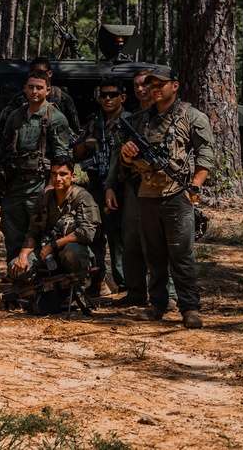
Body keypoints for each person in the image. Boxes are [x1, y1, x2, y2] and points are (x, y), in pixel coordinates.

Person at [121, 67, 214, 329]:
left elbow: (206, 153)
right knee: (154, 255)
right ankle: (157, 304)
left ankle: (189, 307)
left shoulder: (192, 116)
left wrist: (193, 186)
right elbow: (126, 159)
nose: (154, 88)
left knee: (182, 254)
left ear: (175, 85)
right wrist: (127, 154)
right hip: (147, 195)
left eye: (160, 84)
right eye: (150, 84)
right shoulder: (140, 120)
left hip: (177, 194)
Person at [0, 70, 71, 270]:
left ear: (48, 90)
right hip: (15, 184)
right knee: (12, 230)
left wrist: (51, 185)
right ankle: (15, 271)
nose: (34, 91)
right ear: (24, 89)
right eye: (30, 87)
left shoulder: (56, 118)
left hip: (40, 183)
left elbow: (62, 156)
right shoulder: (16, 115)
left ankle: (40, 272)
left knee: (41, 229)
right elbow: (4, 149)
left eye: (39, 87)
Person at [73, 78, 129, 297]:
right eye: (103, 95)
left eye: (112, 94)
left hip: (120, 188)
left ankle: (125, 285)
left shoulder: (130, 122)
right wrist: (87, 140)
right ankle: (98, 280)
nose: (107, 98)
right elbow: (76, 154)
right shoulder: (94, 123)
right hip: (96, 186)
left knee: (119, 238)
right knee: (94, 234)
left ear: (122, 98)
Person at [105, 68, 156, 307]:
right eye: (136, 85)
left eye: (145, 84)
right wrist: (110, 187)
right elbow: (117, 156)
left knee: (161, 241)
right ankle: (136, 291)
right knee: (131, 239)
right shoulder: (131, 119)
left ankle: (169, 294)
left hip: (163, 188)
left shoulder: (171, 116)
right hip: (134, 187)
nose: (140, 89)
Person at [9, 156, 99, 281]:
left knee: (73, 252)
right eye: (54, 174)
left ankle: (79, 289)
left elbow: (86, 233)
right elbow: (33, 232)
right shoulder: (44, 199)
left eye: (63, 174)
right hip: (47, 254)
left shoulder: (83, 198)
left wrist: (53, 245)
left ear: (73, 176)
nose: (58, 179)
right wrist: (23, 255)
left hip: (74, 252)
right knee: (14, 267)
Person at [0, 57, 81, 133]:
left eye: (40, 72)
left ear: (50, 73)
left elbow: (74, 128)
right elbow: (4, 123)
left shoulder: (62, 98)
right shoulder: (19, 98)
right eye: (32, 72)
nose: (36, 75)